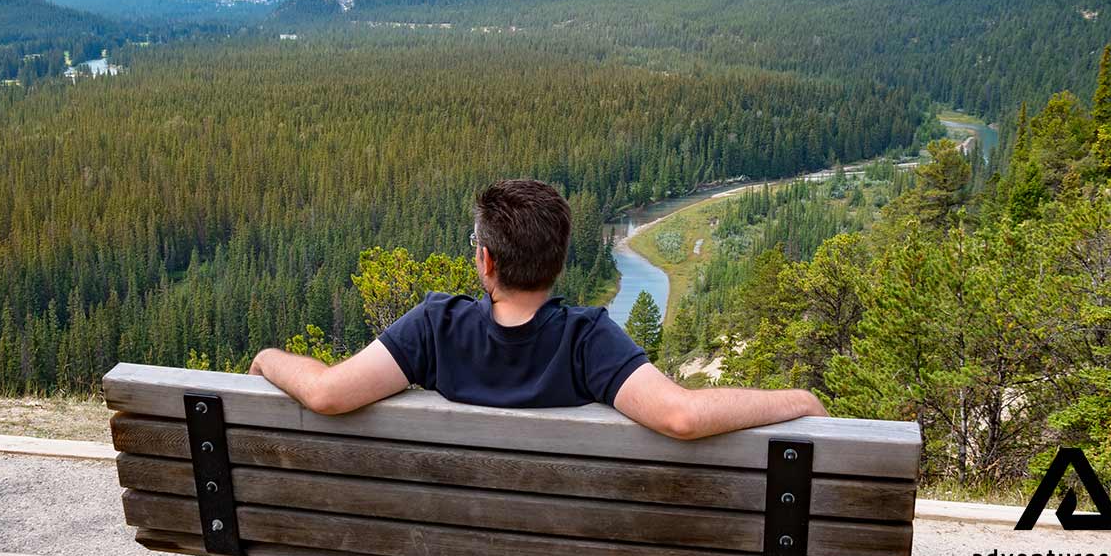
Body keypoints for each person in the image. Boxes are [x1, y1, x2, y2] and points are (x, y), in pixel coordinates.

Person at [249, 179, 825, 439]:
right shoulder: (587, 340)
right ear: (560, 260)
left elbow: (326, 394)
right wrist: (799, 399)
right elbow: (682, 417)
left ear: (486, 263)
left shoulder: (436, 327)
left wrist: (267, 358)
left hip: (448, 549)